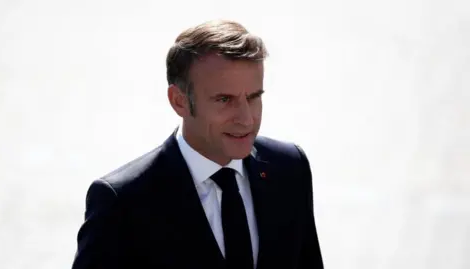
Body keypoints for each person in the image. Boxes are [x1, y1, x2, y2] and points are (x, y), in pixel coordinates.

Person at [71, 19, 324, 269]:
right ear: (179, 101)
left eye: (254, 97)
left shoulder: (290, 169)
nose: (246, 118)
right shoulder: (121, 201)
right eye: (225, 99)